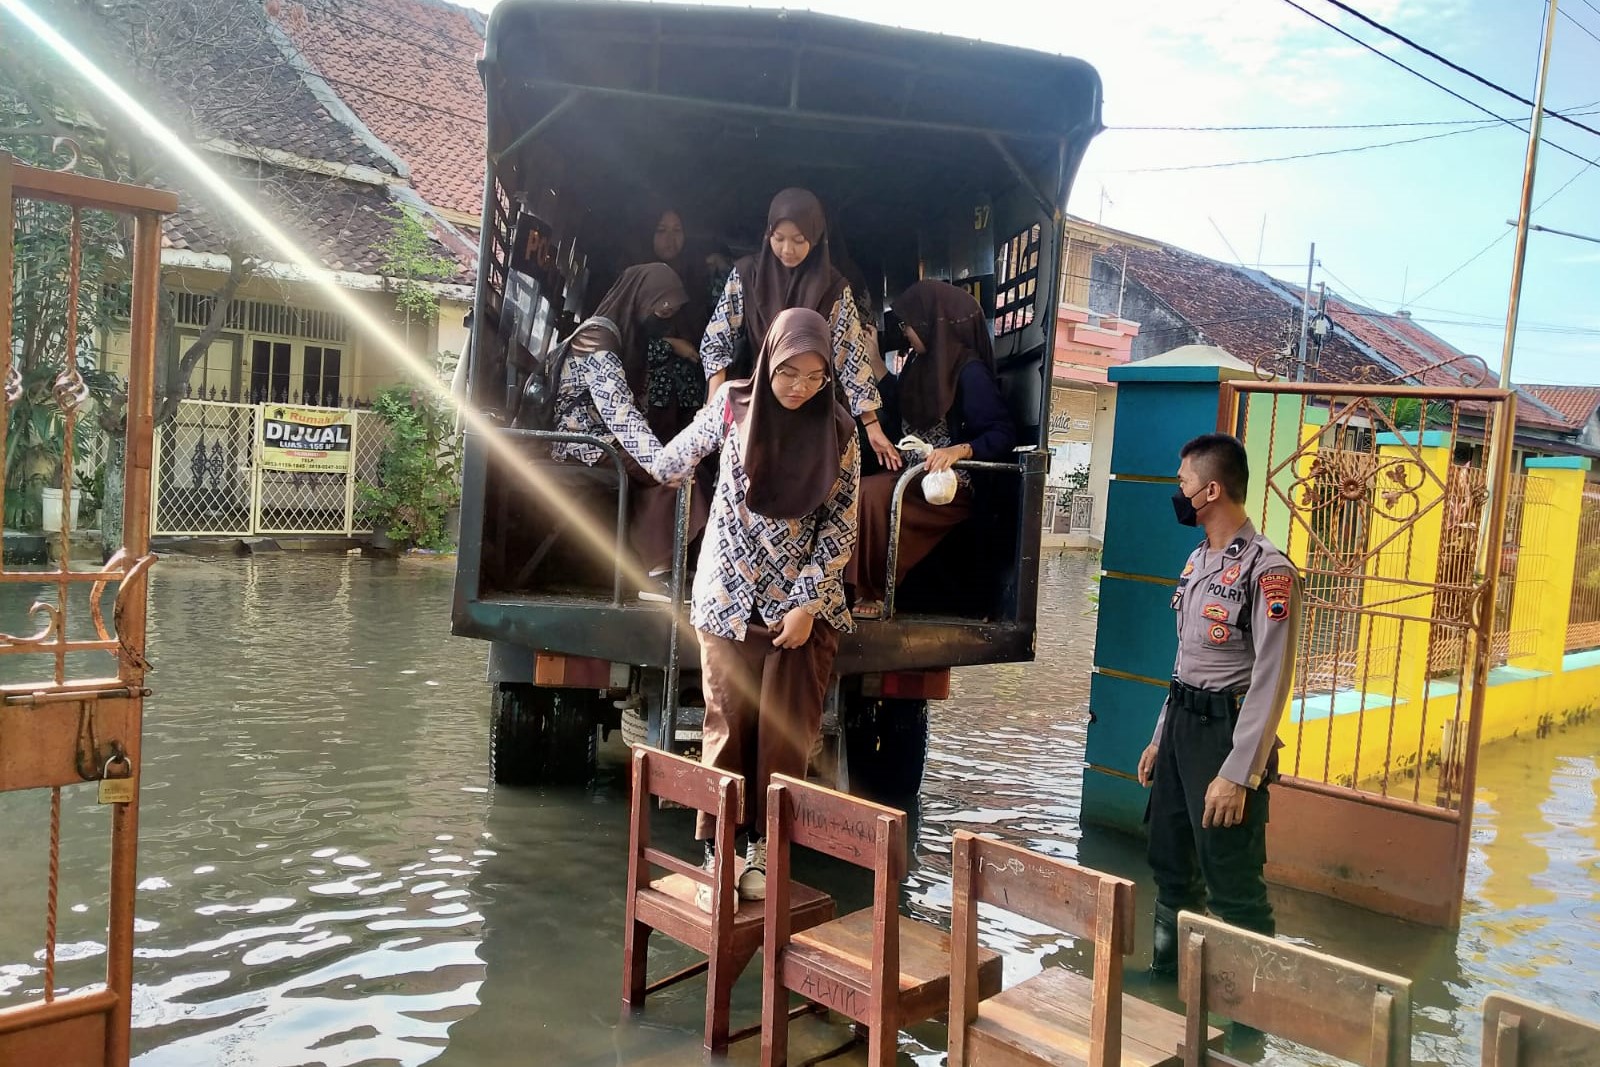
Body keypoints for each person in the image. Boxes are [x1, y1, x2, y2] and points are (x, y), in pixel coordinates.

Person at [648, 307, 859, 913]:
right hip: (730, 600)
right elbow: (671, 461)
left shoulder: (840, 435)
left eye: (816, 376)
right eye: (790, 372)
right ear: (769, 361)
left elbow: (841, 529)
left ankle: (769, 848)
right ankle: (722, 848)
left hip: (800, 608)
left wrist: (805, 605)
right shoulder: (731, 408)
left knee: (787, 737)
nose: (800, 387)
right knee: (727, 725)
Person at [1136, 433, 1301, 976]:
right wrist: (1161, 737)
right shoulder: (1198, 560)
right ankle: (1168, 983)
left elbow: (1271, 681)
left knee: (1231, 879)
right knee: (1170, 862)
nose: (1176, 491)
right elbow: (1185, 658)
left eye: (1182, 482)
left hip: (1226, 736)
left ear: (1210, 490)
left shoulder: (1268, 571)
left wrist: (1240, 772)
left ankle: (1247, 1026)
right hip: (1182, 725)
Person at [698, 187, 900, 472]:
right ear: (768, 234)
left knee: (810, 491)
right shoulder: (745, 275)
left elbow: (852, 357)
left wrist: (871, 424)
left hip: (814, 410)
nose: (787, 250)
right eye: (778, 239)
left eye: (799, 240)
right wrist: (713, 404)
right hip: (757, 408)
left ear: (816, 239)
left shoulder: (834, 288)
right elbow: (716, 341)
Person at [846, 280, 1016, 618]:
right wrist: (877, 364)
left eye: (908, 323)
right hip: (914, 472)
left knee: (873, 495)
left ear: (931, 322)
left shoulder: (969, 371)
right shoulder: (919, 364)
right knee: (852, 485)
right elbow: (902, 412)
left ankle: (872, 591)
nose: (905, 331)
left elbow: (1002, 432)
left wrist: (958, 451)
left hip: (951, 483)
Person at [545, 262, 708, 599]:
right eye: (661, 306)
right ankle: (656, 574)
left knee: (687, 467)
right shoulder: (597, 337)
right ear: (641, 297)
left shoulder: (627, 339)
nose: (664, 316)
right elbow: (619, 413)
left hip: (605, 439)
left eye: (672, 310)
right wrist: (660, 461)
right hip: (584, 442)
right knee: (676, 475)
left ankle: (665, 566)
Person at [640, 208, 710, 440]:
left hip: (688, 401)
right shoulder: (633, 280)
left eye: (677, 230)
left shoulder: (697, 278)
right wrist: (670, 344)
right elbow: (624, 340)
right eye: (661, 230)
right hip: (642, 402)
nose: (670, 239)